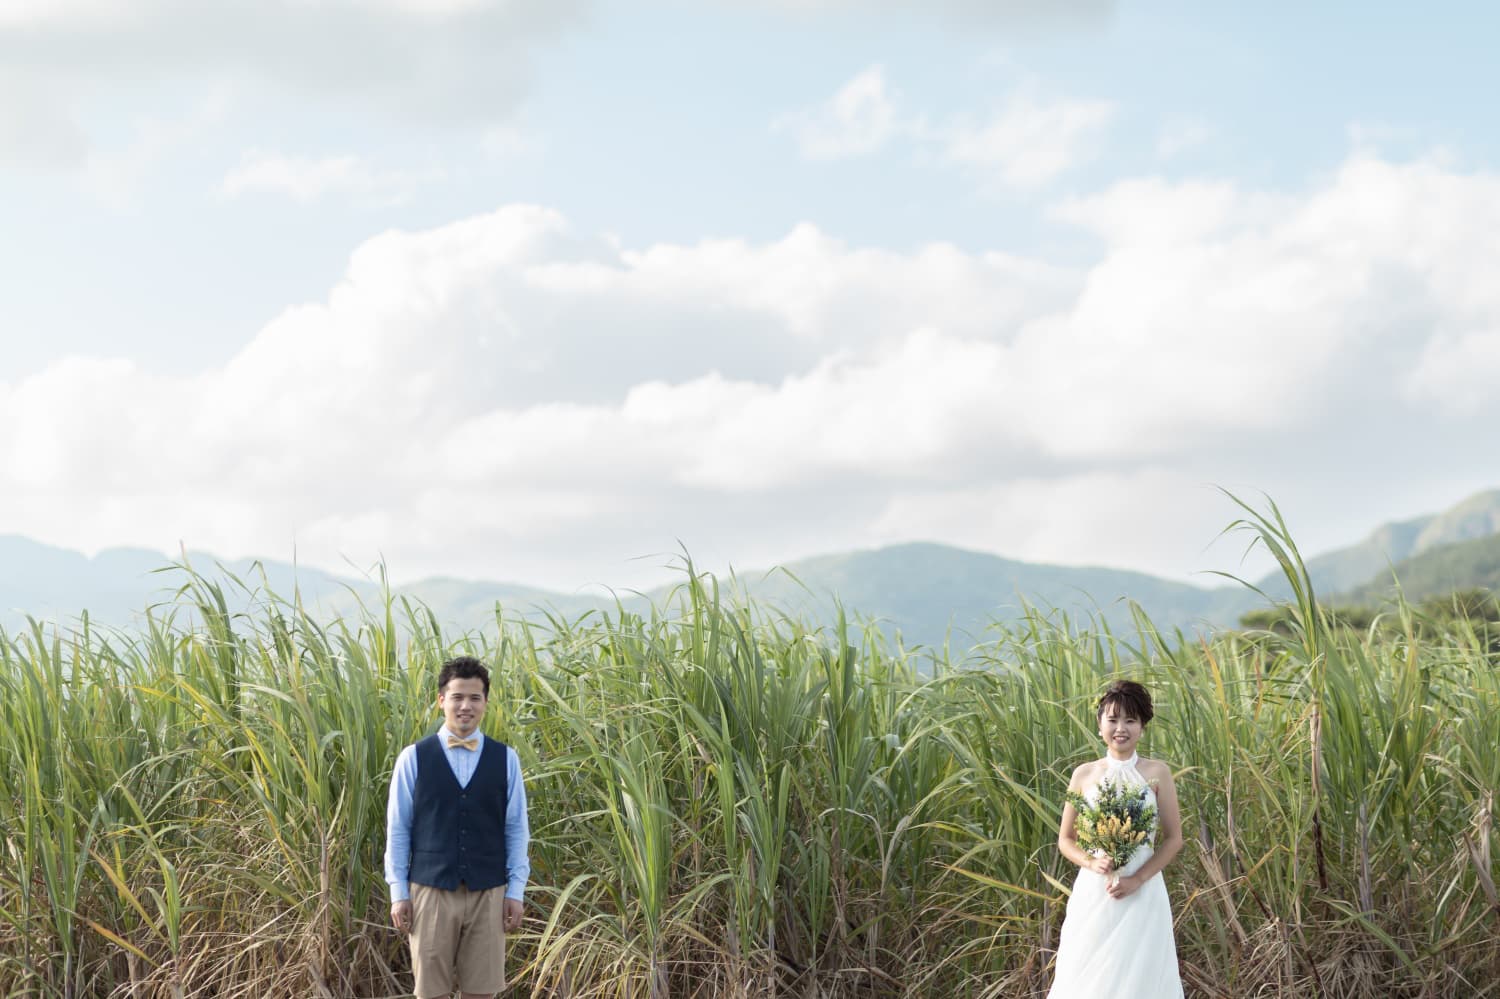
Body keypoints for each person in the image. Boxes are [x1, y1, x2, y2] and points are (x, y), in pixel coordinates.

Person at [385, 655, 530, 999]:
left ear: (486, 703)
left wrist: (515, 891)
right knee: (430, 993)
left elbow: (516, 828)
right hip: (430, 889)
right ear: (441, 701)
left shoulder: (506, 758)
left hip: (488, 890)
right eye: (457, 697)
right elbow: (399, 829)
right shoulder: (413, 757)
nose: (466, 706)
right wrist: (398, 892)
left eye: (474, 698)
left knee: (482, 992)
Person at [1047, 679, 1184, 998]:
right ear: (1100, 725)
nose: (1120, 728)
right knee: (1087, 972)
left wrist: (1138, 879)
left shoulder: (1157, 772)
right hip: (1096, 891)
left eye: (1130, 720)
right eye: (1112, 719)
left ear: (1142, 727)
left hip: (1143, 893)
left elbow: (1174, 838)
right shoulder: (1084, 774)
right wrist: (1092, 861)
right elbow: (1065, 839)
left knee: (1142, 974)